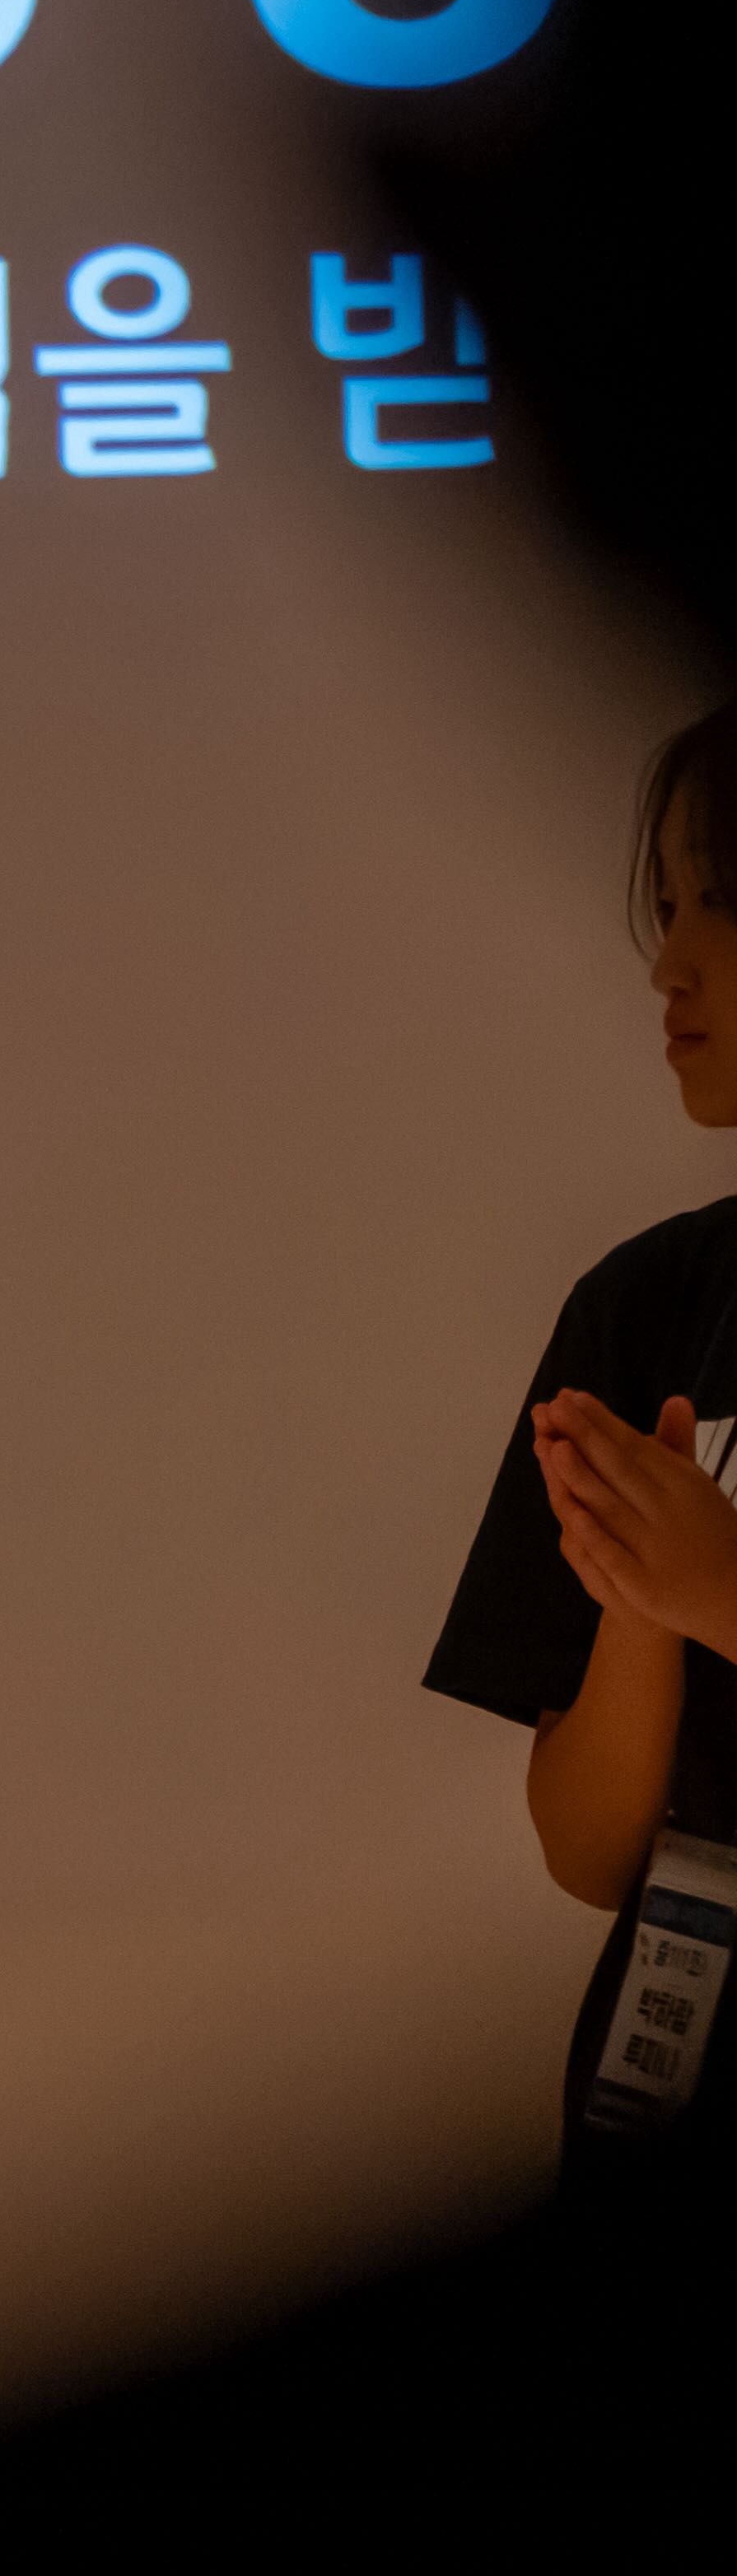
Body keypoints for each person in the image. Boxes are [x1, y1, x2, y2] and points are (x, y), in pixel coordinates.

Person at [426, 707, 737, 2181]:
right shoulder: (644, 1306)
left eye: (720, 903)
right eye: (664, 908)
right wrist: (641, 1607)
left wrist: (719, 1588)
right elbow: (590, 1851)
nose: (670, 964)